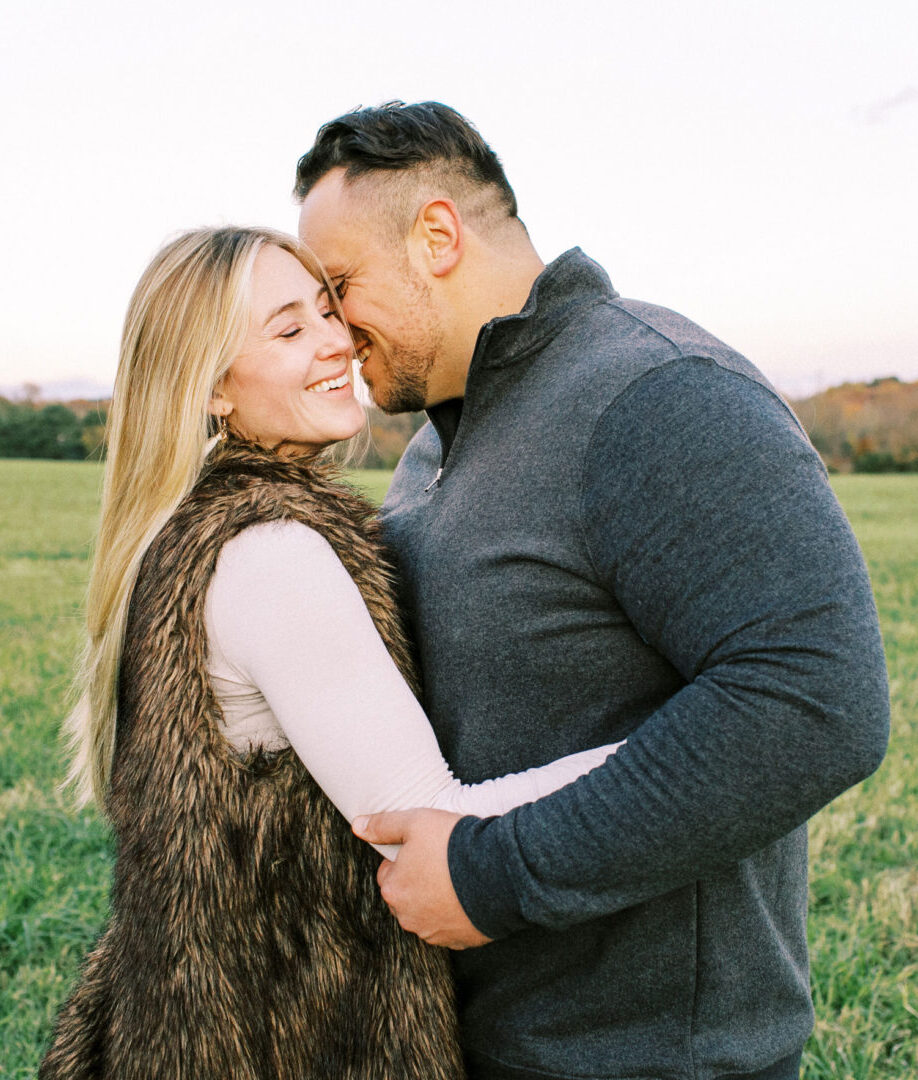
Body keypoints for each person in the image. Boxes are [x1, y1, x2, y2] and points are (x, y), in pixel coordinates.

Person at [294, 101, 891, 1080]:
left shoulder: (656, 392)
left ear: (436, 236)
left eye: (339, 285)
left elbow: (816, 701)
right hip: (471, 1046)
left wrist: (491, 878)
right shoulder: (436, 445)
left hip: (646, 1059)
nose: (329, 325)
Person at [38, 226, 623, 1079]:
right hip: (297, 1038)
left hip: (194, 1022)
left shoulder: (187, 526)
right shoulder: (271, 553)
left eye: (326, 309)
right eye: (287, 330)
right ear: (214, 390)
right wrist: (682, 751)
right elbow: (422, 822)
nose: (335, 340)